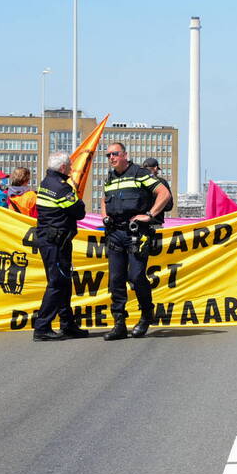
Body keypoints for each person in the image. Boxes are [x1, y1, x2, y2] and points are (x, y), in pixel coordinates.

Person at [100, 142, 172, 340]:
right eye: (108, 155)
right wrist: (104, 215)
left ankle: (146, 315)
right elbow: (104, 198)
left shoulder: (139, 173)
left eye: (115, 154)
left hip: (136, 234)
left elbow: (164, 194)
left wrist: (149, 215)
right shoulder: (110, 177)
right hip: (115, 233)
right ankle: (119, 324)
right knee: (115, 280)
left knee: (136, 276)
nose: (111, 158)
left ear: (125, 154)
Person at [31, 153, 88, 341]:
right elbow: (79, 212)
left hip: (51, 240)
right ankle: (42, 327)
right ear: (62, 168)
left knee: (63, 283)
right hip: (56, 242)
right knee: (57, 283)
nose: (71, 169)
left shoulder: (46, 182)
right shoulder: (61, 188)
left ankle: (68, 324)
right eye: (69, 166)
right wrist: (77, 198)